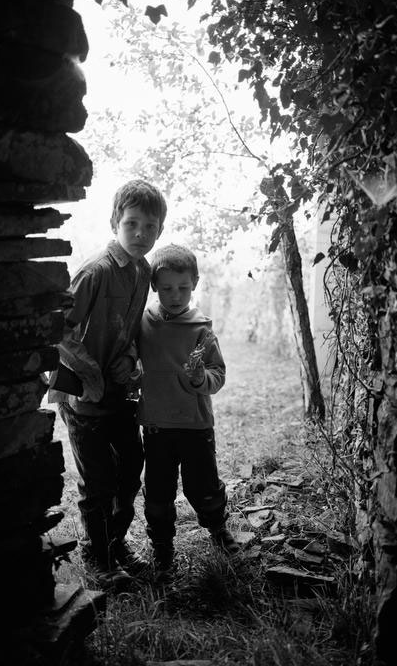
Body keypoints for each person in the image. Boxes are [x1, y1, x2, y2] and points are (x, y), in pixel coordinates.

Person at [48, 179, 167, 590]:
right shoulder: (96, 272)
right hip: (83, 395)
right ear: (115, 221)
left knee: (131, 467)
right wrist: (91, 373)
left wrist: (130, 359)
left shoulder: (144, 270)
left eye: (149, 227)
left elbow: (132, 330)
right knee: (98, 480)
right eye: (132, 223)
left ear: (159, 231)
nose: (140, 234)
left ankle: (114, 542)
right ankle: (97, 556)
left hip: (118, 394)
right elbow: (58, 330)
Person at [137, 244, 240, 581]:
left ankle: (217, 529)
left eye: (182, 287)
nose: (175, 295)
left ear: (194, 282)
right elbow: (131, 357)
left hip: (195, 426)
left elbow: (218, 374)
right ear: (154, 286)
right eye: (166, 288)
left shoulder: (201, 330)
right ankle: (163, 547)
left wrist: (200, 378)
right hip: (156, 426)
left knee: (203, 485)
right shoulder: (143, 324)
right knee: (158, 490)